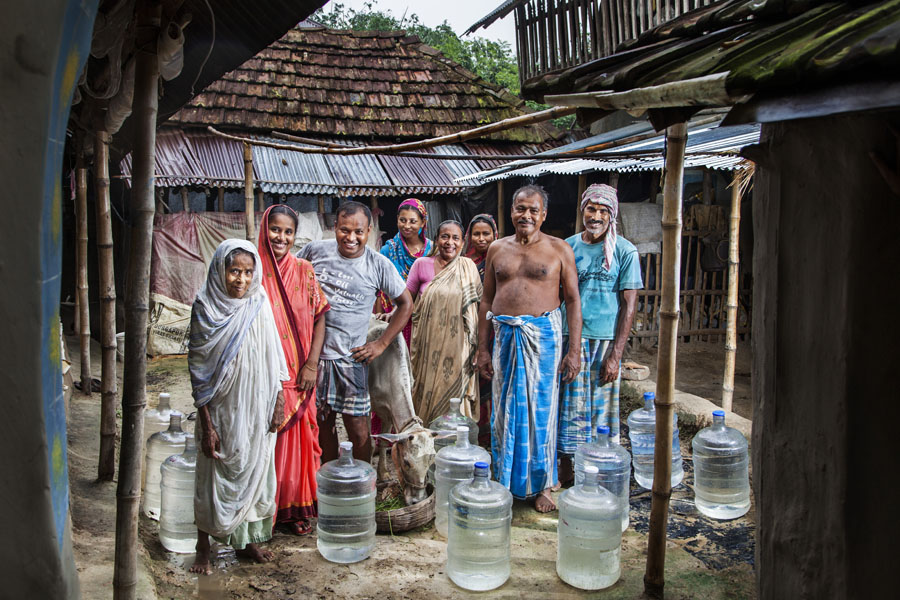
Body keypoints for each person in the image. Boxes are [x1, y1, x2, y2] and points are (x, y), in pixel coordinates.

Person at [476, 185, 582, 513]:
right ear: (511, 212)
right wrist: (482, 348)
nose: (526, 215)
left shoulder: (559, 249)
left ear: (544, 215)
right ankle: (505, 481)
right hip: (505, 339)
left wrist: (574, 350)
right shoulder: (496, 248)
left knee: (542, 412)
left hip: (545, 339)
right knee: (503, 412)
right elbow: (486, 300)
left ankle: (545, 485)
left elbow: (574, 301)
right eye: (521, 209)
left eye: (533, 210)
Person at [188, 240, 287, 574]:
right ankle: (203, 547)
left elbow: (276, 356)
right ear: (220, 270)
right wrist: (207, 424)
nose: (241, 280)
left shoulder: (259, 302)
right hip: (221, 410)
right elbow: (198, 371)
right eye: (234, 271)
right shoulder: (205, 306)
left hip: (259, 404)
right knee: (213, 472)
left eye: (247, 272)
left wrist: (279, 400)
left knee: (256, 467)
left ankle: (248, 543)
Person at [298, 201, 414, 464]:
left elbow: (406, 304)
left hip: (351, 360)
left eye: (358, 232)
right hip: (313, 358)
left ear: (369, 230)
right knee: (321, 425)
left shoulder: (378, 264)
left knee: (358, 430)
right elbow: (290, 281)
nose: (351, 238)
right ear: (334, 227)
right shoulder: (315, 251)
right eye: (344, 230)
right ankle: (330, 479)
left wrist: (382, 344)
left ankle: (362, 482)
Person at [558, 184, 642, 484]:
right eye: (591, 209)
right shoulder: (567, 247)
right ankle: (568, 472)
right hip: (572, 339)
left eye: (603, 211)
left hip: (605, 342)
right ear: (583, 211)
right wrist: (569, 347)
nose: (595, 216)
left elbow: (629, 305)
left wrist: (616, 356)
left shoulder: (625, 251)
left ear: (612, 215)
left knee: (601, 411)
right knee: (569, 408)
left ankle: (598, 473)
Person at [258, 205, 330, 536]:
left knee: (300, 445)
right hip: (265, 376)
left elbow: (319, 317)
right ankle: (263, 512)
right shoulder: (253, 269)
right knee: (265, 445)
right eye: (275, 229)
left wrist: (312, 364)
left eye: (288, 232)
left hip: (300, 375)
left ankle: (293, 509)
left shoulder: (304, 270)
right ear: (264, 228)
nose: (281, 237)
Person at [404, 220, 483, 424]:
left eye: (455, 238)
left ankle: (455, 444)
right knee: (423, 390)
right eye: (445, 237)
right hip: (426, 348)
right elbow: (406, 300)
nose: (450, 242)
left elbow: (477, 311)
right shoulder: (421, 265)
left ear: (463, 242)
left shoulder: (468, 268)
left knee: (456, 399)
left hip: (459, 349)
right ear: (436, 239)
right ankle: (425, 440)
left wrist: (479, 347)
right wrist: (390, 314)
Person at [463, 214, 500, 447]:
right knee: (471, 379)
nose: (481, 238)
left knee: (492, 377)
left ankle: (491, 435)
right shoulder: (464, 262)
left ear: (495, 235)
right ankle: (472, 432)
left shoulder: (502, 259)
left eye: (486, 233)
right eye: (476, 233)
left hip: (496, 329)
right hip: (468, 329)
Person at [376, 198, 432, 346]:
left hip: (425, 318)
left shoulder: (432, 251)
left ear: (422, 222)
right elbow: (380, 289)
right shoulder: (388, 250)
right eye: (403, 220)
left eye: (413, 221)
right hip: (393, 317)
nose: (407, 226)